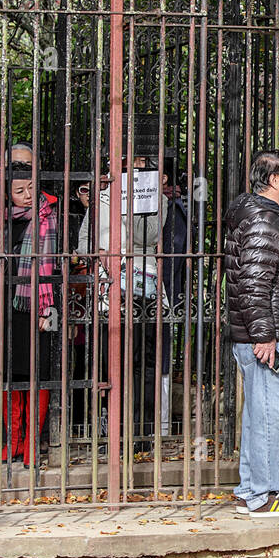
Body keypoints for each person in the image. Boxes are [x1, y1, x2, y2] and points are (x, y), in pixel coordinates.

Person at [224, 151, 279, 518]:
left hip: (261, 330)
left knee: (261, 414)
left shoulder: (256, 215)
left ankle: (250, 489)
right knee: (275, 417)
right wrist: (265, 335)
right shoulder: (264, 220)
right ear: (274, 180)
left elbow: (262, 267)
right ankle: (266, 494)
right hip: (266, 332)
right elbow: (253, 282)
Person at [77, 156, 171, 448]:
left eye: (140, 166)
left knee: (144, 364)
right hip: (109, 294)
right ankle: (113, 433)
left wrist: (133, 201)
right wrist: (99, 250)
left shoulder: (156, 199)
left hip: (145, 293)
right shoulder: (102, 197)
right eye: (127, 164)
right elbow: (83, 240)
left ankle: (141, 435)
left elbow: (149, 235)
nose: (132, 169)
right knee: (111, 363)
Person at [0, 162, 62, 469]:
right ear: (6, 193)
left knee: (36, 373)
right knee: (6, 373)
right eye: (19, 190)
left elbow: (50, 266)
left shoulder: (48, 218)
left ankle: (32, 444)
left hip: (35, 304)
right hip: (1, 305)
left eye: (30, 188)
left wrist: (45, 309)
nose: (27, 195)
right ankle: (12, 440)